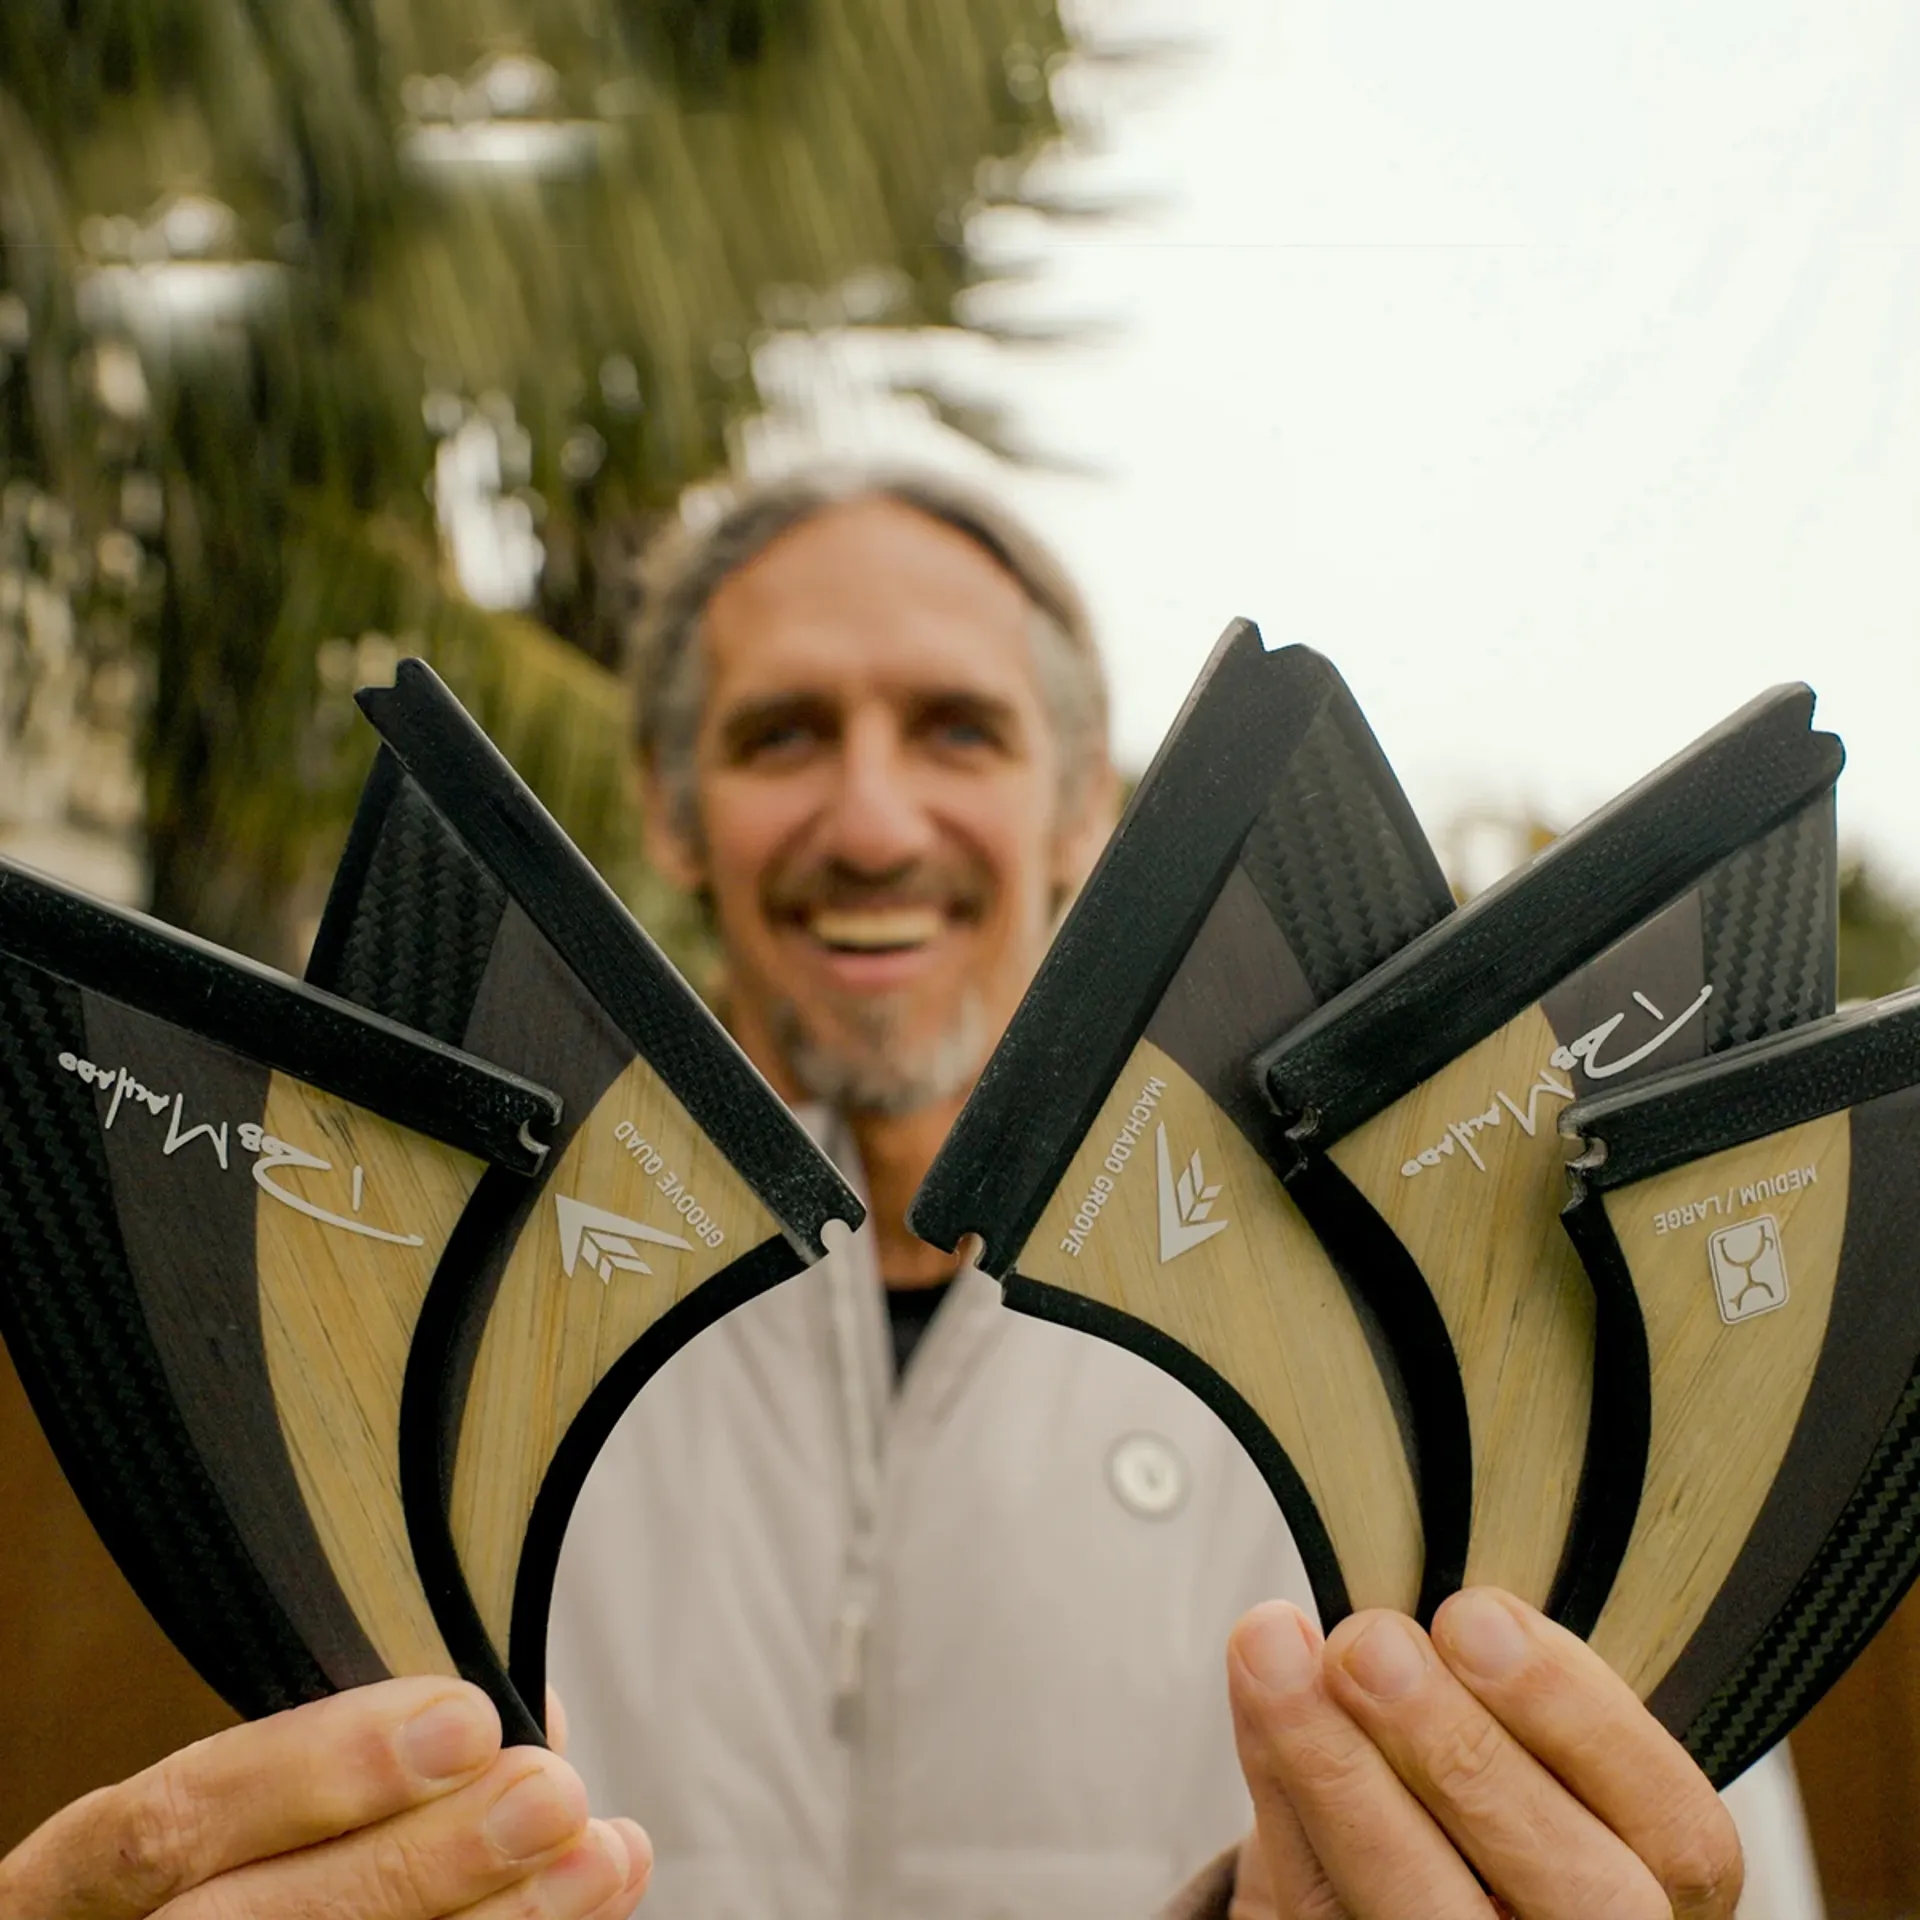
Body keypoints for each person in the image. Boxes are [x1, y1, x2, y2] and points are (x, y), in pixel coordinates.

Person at [0, 471, 1792, 1920]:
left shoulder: (1447, 1332)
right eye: (785, 736)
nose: (870, 822)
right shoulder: (379, 1349)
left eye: (957, 732)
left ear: (1083, 809)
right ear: (673, 809)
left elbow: (1699, 1869)